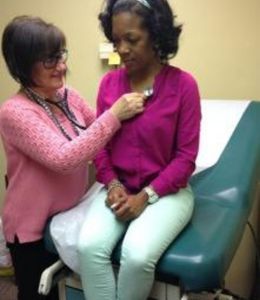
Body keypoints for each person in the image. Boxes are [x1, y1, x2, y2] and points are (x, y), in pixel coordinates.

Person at [0, 15, 146, 300]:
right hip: (32, 229)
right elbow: (64, 158)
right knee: (39, 294)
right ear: (23, 64)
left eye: (61, 55)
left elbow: (102, 135)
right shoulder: (14, 112)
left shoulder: (67, 95)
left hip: (68, 217)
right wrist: (114, 114)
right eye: (49, 60)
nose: (62, 66)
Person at [77, 0, 201, 299]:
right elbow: (100, 147)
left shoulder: (184, 86)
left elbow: (185, 159)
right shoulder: (109, 85)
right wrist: (114, 184)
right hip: (118, 187)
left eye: (131, 39)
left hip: (167, 192)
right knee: (89, 247)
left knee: (136, 255)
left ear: (157, 36)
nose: (121, 48)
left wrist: (145, 196)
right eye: (116, 40)